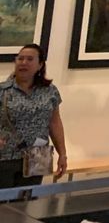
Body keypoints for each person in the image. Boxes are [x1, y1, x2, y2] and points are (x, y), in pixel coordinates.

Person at [0, 44, 67, 187]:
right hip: (6, 156)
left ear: (40, 65)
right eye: (20, 59)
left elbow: (55, 123)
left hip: (38, 155)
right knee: (4, 199)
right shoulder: (3, 91)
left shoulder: (50, 91)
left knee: (29, 198)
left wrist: (62, 154)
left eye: (30, 59)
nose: (23, 63)